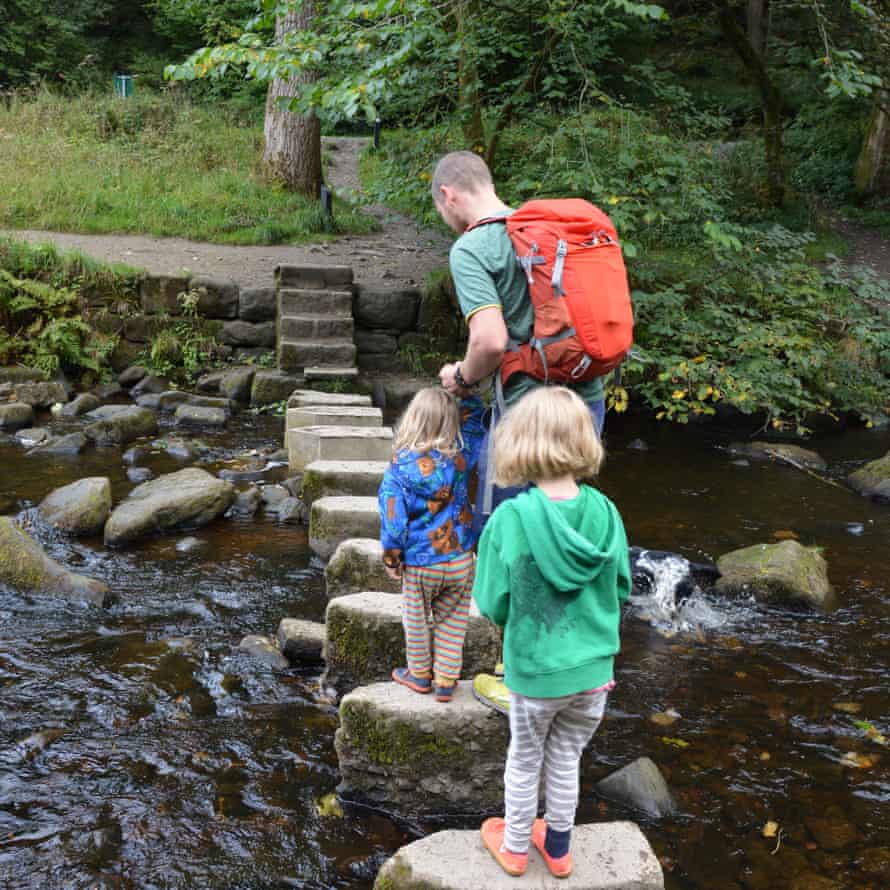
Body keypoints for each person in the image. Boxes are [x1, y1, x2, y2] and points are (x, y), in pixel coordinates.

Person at [472, 387, 631, 877]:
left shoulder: (509, 518)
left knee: (524, 759)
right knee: (566, 758)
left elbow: (491, 602)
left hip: (536, 672)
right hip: (594, 673)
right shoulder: (606, 513)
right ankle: (558, 847)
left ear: (518, 443)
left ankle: (516, 848)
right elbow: (621, 586)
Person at [378, 387, 485, 702]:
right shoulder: (462, 457)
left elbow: (393, 522)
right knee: (453, 620)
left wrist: (392, 559)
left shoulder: (398, 471)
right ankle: (445, 682)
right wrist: (467, 392)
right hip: (462, 559)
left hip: (422, 562)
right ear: (452, 423)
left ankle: (420, 674)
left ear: (410, 420)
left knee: (415, 619)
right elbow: (476, 423)